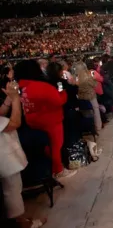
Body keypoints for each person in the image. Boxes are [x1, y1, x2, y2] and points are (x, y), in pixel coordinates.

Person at [15, 60, 77, 179]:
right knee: (56, 145)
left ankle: (52, 167)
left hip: (32, 120)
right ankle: (58, 170)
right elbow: (59, 101)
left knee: (47, 146)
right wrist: (63, 92)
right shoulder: (41, 86)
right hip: (50, 120)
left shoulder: (22, 87)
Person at [1, 82, 47, 228]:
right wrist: (15, 99)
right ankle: (21, 222)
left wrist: (8, 101)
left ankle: (19, 218)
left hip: (5, 151)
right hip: (4, 157)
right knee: (12, 189)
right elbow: (14, 122)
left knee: (12, 188)